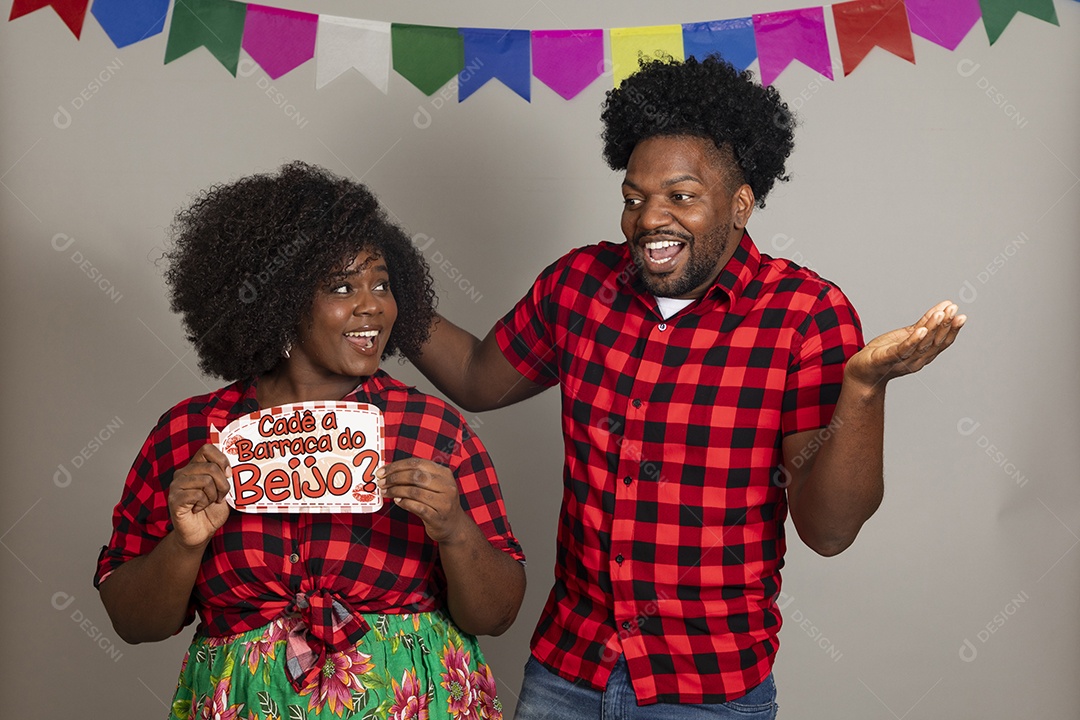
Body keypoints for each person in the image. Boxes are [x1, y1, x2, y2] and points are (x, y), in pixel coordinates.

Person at [406, 56, 965, 718]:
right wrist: (381, 298)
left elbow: (829, 528)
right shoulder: (579, 285)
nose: (649, 219)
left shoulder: (805, 315)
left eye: (681, 196)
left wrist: (864, 388)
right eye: (635, 197)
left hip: (707, 688)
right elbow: (476, 377)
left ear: (740, 204)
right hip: (568, 668)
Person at [95, 162, 526, 720]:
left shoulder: (431, 429)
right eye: (342, 287)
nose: (372, 305)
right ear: (280, 300)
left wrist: (454, 529)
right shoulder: (190, 433)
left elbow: (496, 616)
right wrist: (185, 543)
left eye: (382, 284)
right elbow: (133, 625)